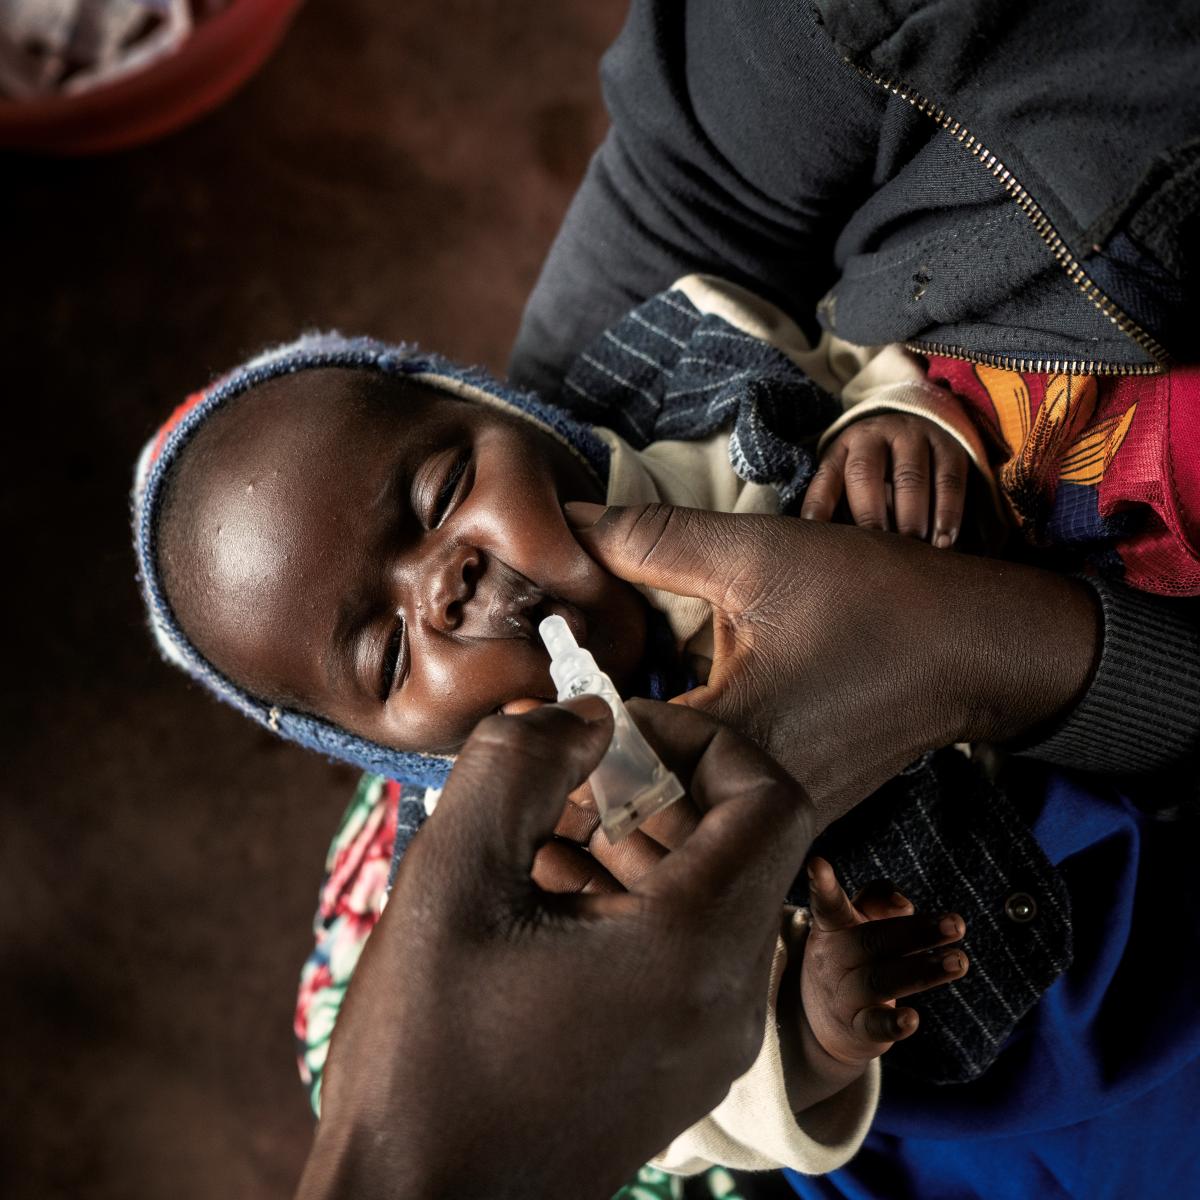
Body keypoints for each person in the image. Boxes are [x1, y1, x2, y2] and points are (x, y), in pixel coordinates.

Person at [500, 2, 1200, 1195]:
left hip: (1113, 831)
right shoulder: (519, 849)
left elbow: (835, 361)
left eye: (439, 485)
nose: (445, 578)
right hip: (977, 1044)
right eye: (379, 646)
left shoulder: (677, 410)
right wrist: (812, 1036)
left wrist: (897, 427)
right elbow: (669, 1104)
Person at [290, 696, 882, 1200]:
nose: (450, 583)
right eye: (394, 654)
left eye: (467, 549)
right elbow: (680, 1113)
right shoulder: (467, 923)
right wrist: (816, 1045)